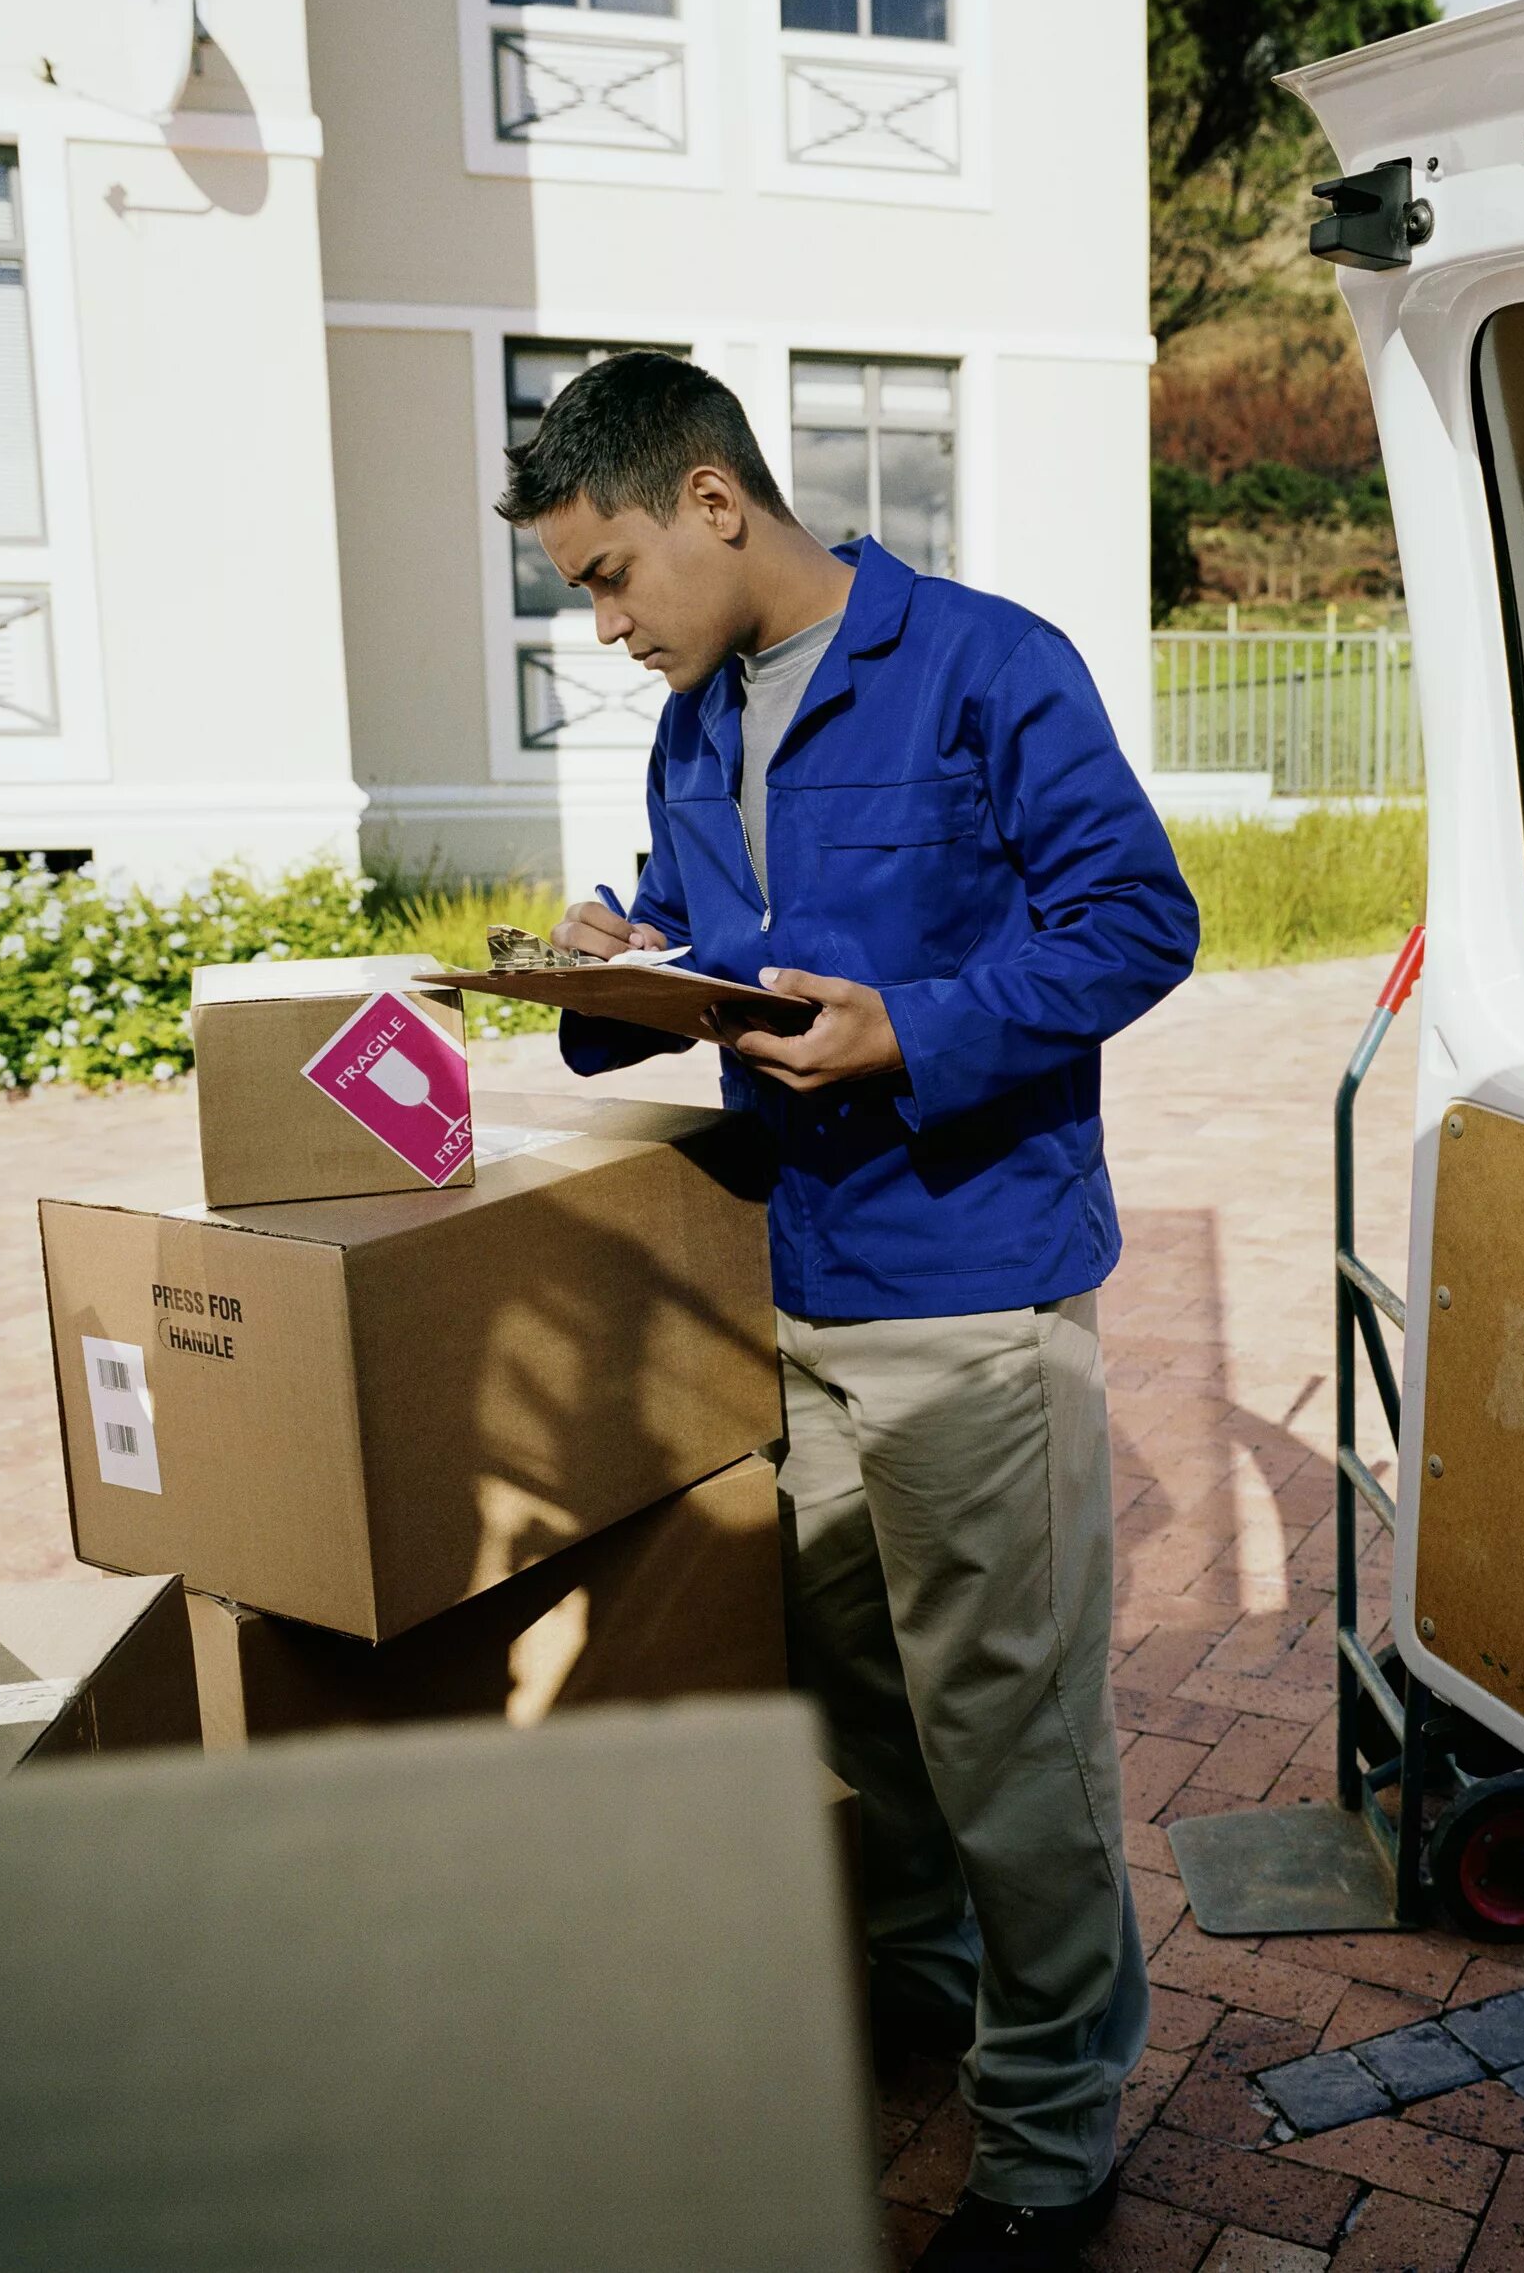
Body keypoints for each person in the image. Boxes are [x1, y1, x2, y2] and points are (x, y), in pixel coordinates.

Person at [502, 352, 1197, 2271]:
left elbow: (1140, 919)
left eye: (613, 573)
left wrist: (923, 1029)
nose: (610, 622)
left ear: (716, 500)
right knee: (862, 1702)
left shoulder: (987, 664)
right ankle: (928, 1991)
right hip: (784, 1293)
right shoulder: (691, 720)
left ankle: (1054, 2141)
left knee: (1011, 1735)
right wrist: (614, 958)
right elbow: (711, 952)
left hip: (970, 1301)